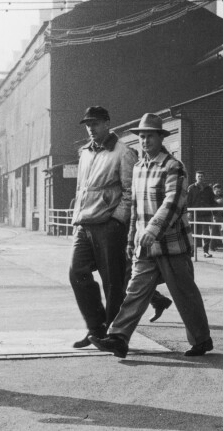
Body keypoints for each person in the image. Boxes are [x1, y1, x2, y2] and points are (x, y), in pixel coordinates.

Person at [92, 113, 212, 358]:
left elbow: (173, 203)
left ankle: (201, 340)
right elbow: (136, 208)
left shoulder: (173, 167)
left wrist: (152, 230)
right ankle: (118, 338)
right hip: (145, 246)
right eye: (142, 136)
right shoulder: (138, 167)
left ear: (160, 137)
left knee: (184, 294)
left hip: (172, 246)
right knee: (134, 292)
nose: (145, 141)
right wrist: (131, 239)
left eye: (150, 136)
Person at [68, 106, 171, 349]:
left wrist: (117, 221)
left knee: (113, 283)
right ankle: (95, 328)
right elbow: (80, 190)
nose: (91, 129)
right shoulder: (84, 153)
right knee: (76, 273)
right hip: (84, 224)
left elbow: (129, 192)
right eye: (88, 124)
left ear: (107, 124)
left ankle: (113, 335)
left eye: (95, 124)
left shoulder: (123, 153)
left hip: (108, 226)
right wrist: (76, 220)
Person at [187, 171, 217, 257]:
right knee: (192, 233)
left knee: (206, 233)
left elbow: (212, 201)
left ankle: (205, 251)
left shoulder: (208, 188)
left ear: (204, 177)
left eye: (202, 176)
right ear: (196, 178)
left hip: (206, 213)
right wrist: (189, 212)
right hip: (194, 214)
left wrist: (214, 213)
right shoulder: (191, 188)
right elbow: (188, 201)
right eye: (198, 176)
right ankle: (191, 251)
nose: (200, 177)